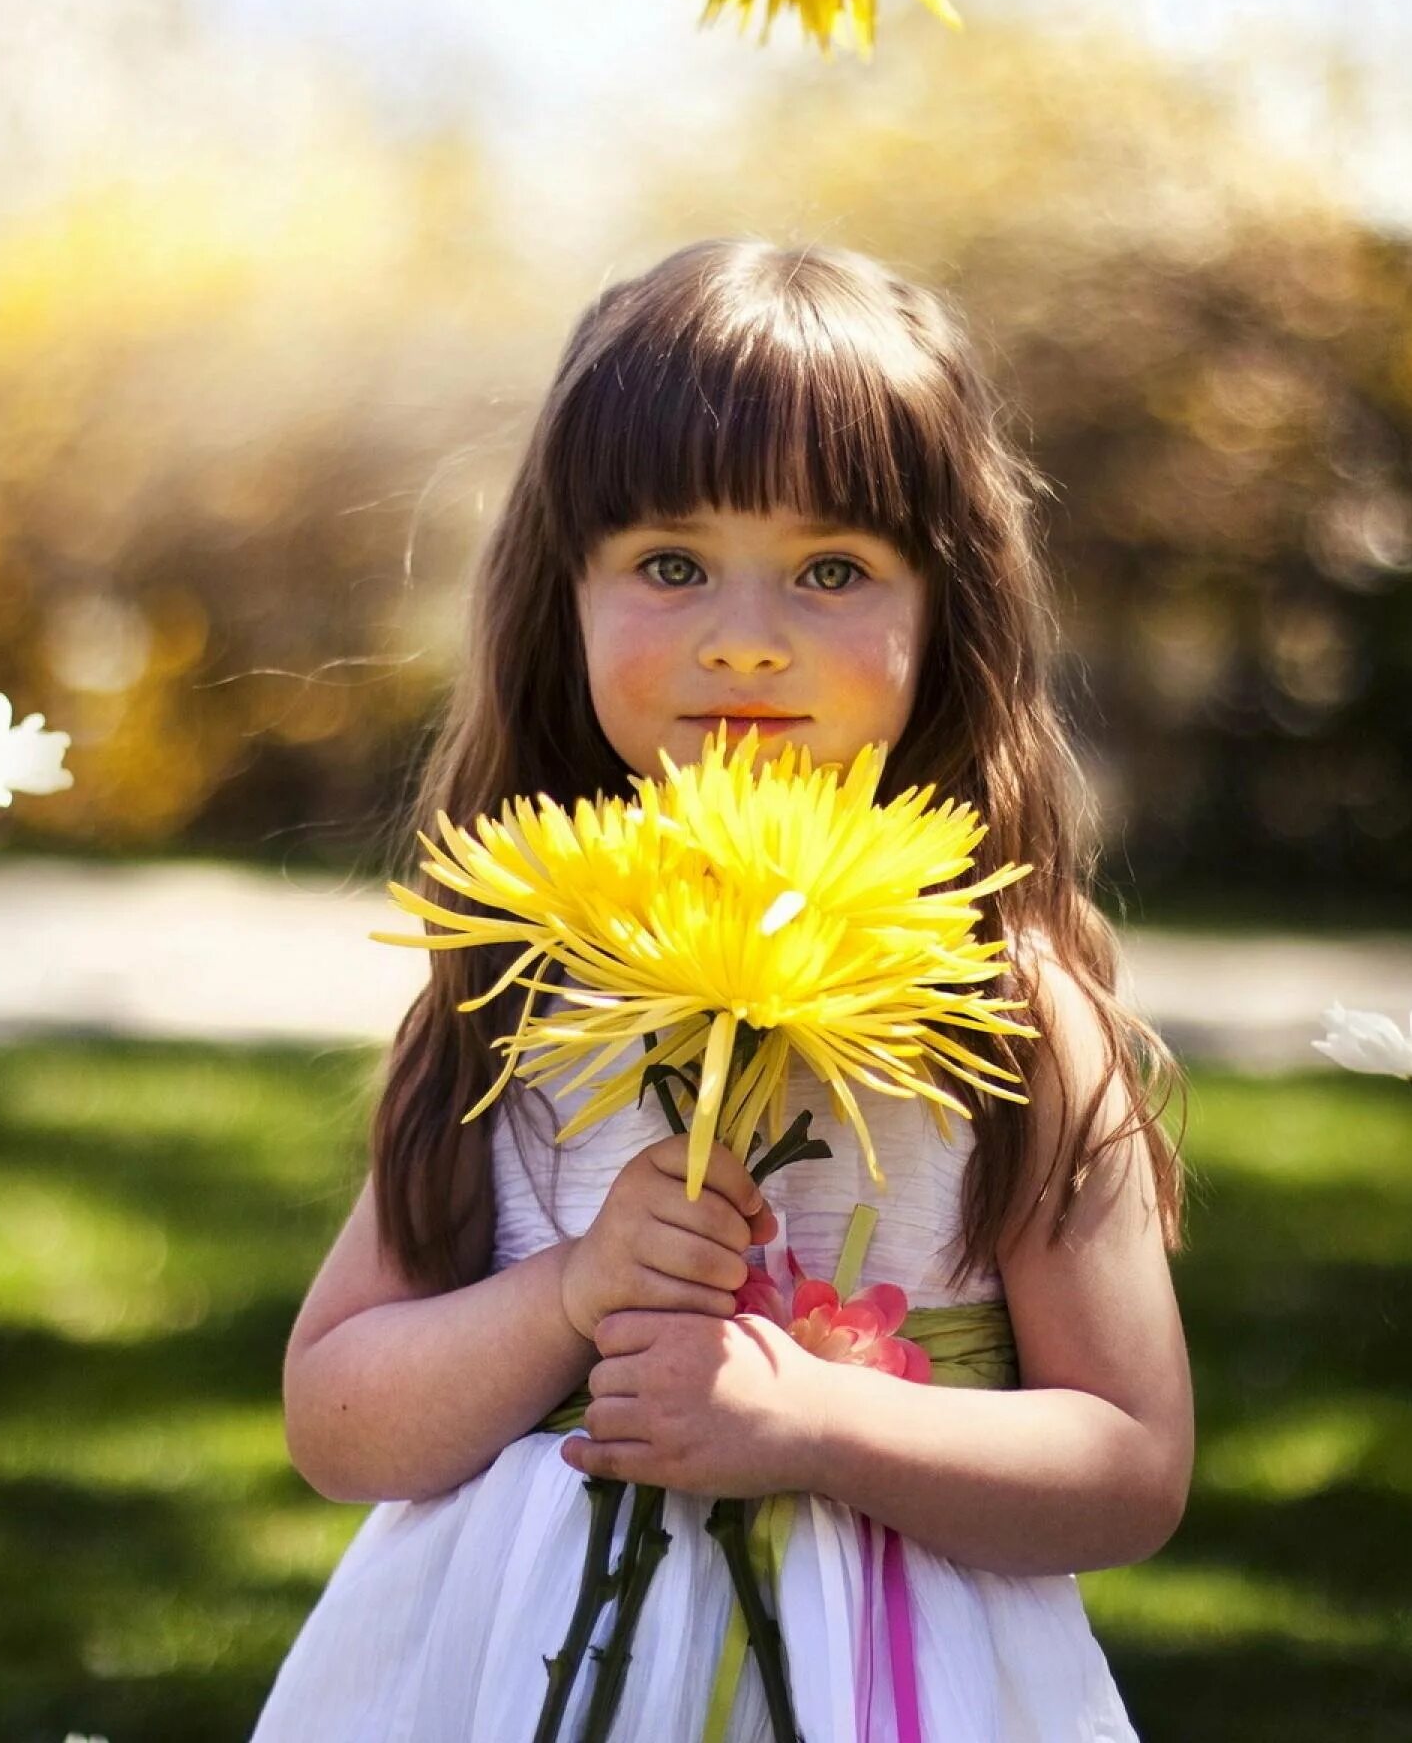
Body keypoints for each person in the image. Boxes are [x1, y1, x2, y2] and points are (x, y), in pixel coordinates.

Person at [255, 238, 1192, 1742]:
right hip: (514, 1676)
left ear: (942, 614)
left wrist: (818, 1424)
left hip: (884, 1682)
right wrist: (570, 1296)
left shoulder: (1003, 1009)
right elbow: (338, 1417)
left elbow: (1130, 1467)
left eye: (832, 570)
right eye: (670, 565)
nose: (744, 636)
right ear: (562, 595)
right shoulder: (518, 978)